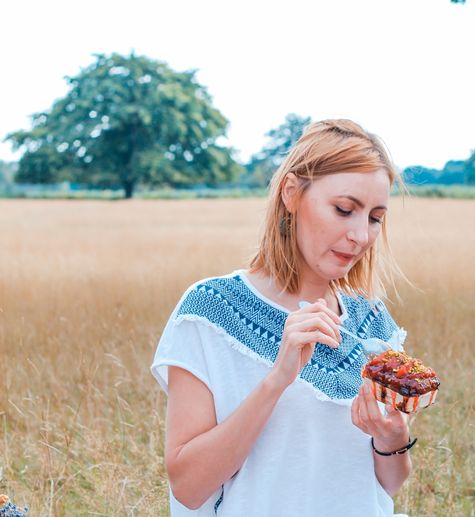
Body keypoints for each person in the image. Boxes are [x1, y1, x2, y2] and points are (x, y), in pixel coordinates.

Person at [151, 119, 414, 516]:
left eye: (375, 217)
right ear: (292, 193)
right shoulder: (209, 311)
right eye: (344, 209)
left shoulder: (373, 322)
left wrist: (393, 438)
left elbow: (388, 483)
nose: (361, 235)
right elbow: (188, 486)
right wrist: (278, 378)